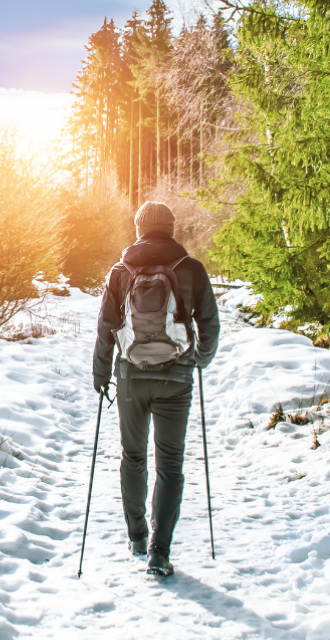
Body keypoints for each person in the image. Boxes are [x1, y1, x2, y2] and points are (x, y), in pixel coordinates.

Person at [92, 201, 220, 576]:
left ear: (139, 230)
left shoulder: (120, 272)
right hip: (176, 379)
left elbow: (106, 327)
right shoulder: (191, 269)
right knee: (170, 465)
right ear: (171, 229)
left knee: (133, 457)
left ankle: (135, 535)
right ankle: (159, 551)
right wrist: (199, 360)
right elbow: (209, 323)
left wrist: (101, 375)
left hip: (130, 377)